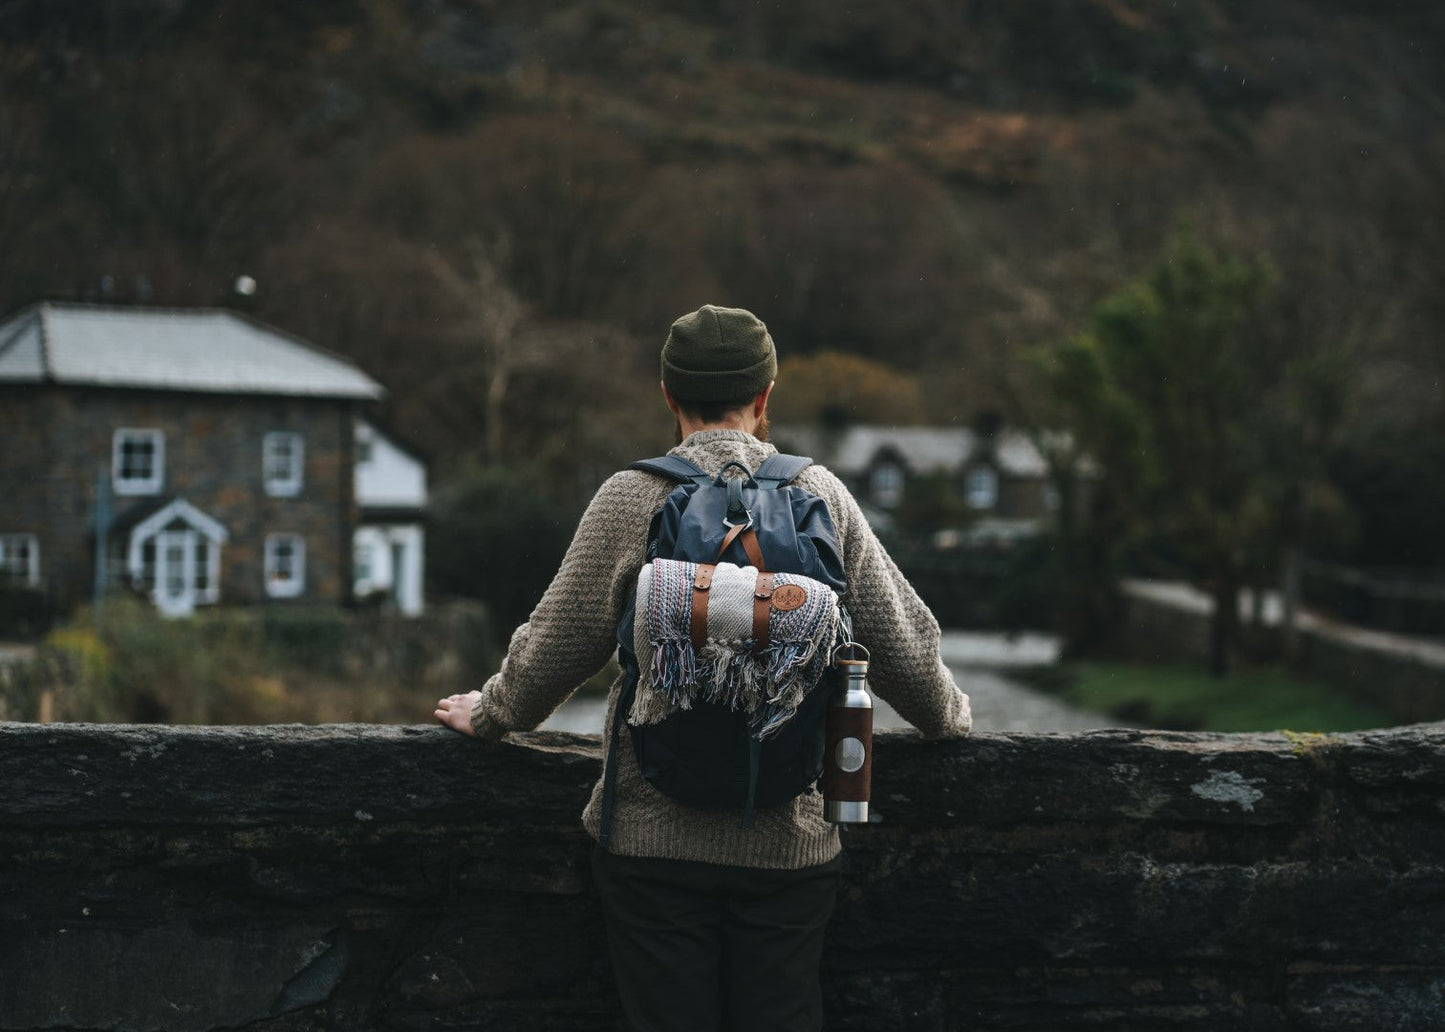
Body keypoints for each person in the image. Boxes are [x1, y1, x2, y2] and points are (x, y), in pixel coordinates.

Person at [435, 303, 972, 1032]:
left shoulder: (631, 495)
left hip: (651, 844)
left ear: (667, 395)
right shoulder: (820, 495)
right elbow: (902, 650)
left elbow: (557, 645)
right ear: (765, 396)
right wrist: (950, 714)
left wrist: (493, 712)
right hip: (788, 846)